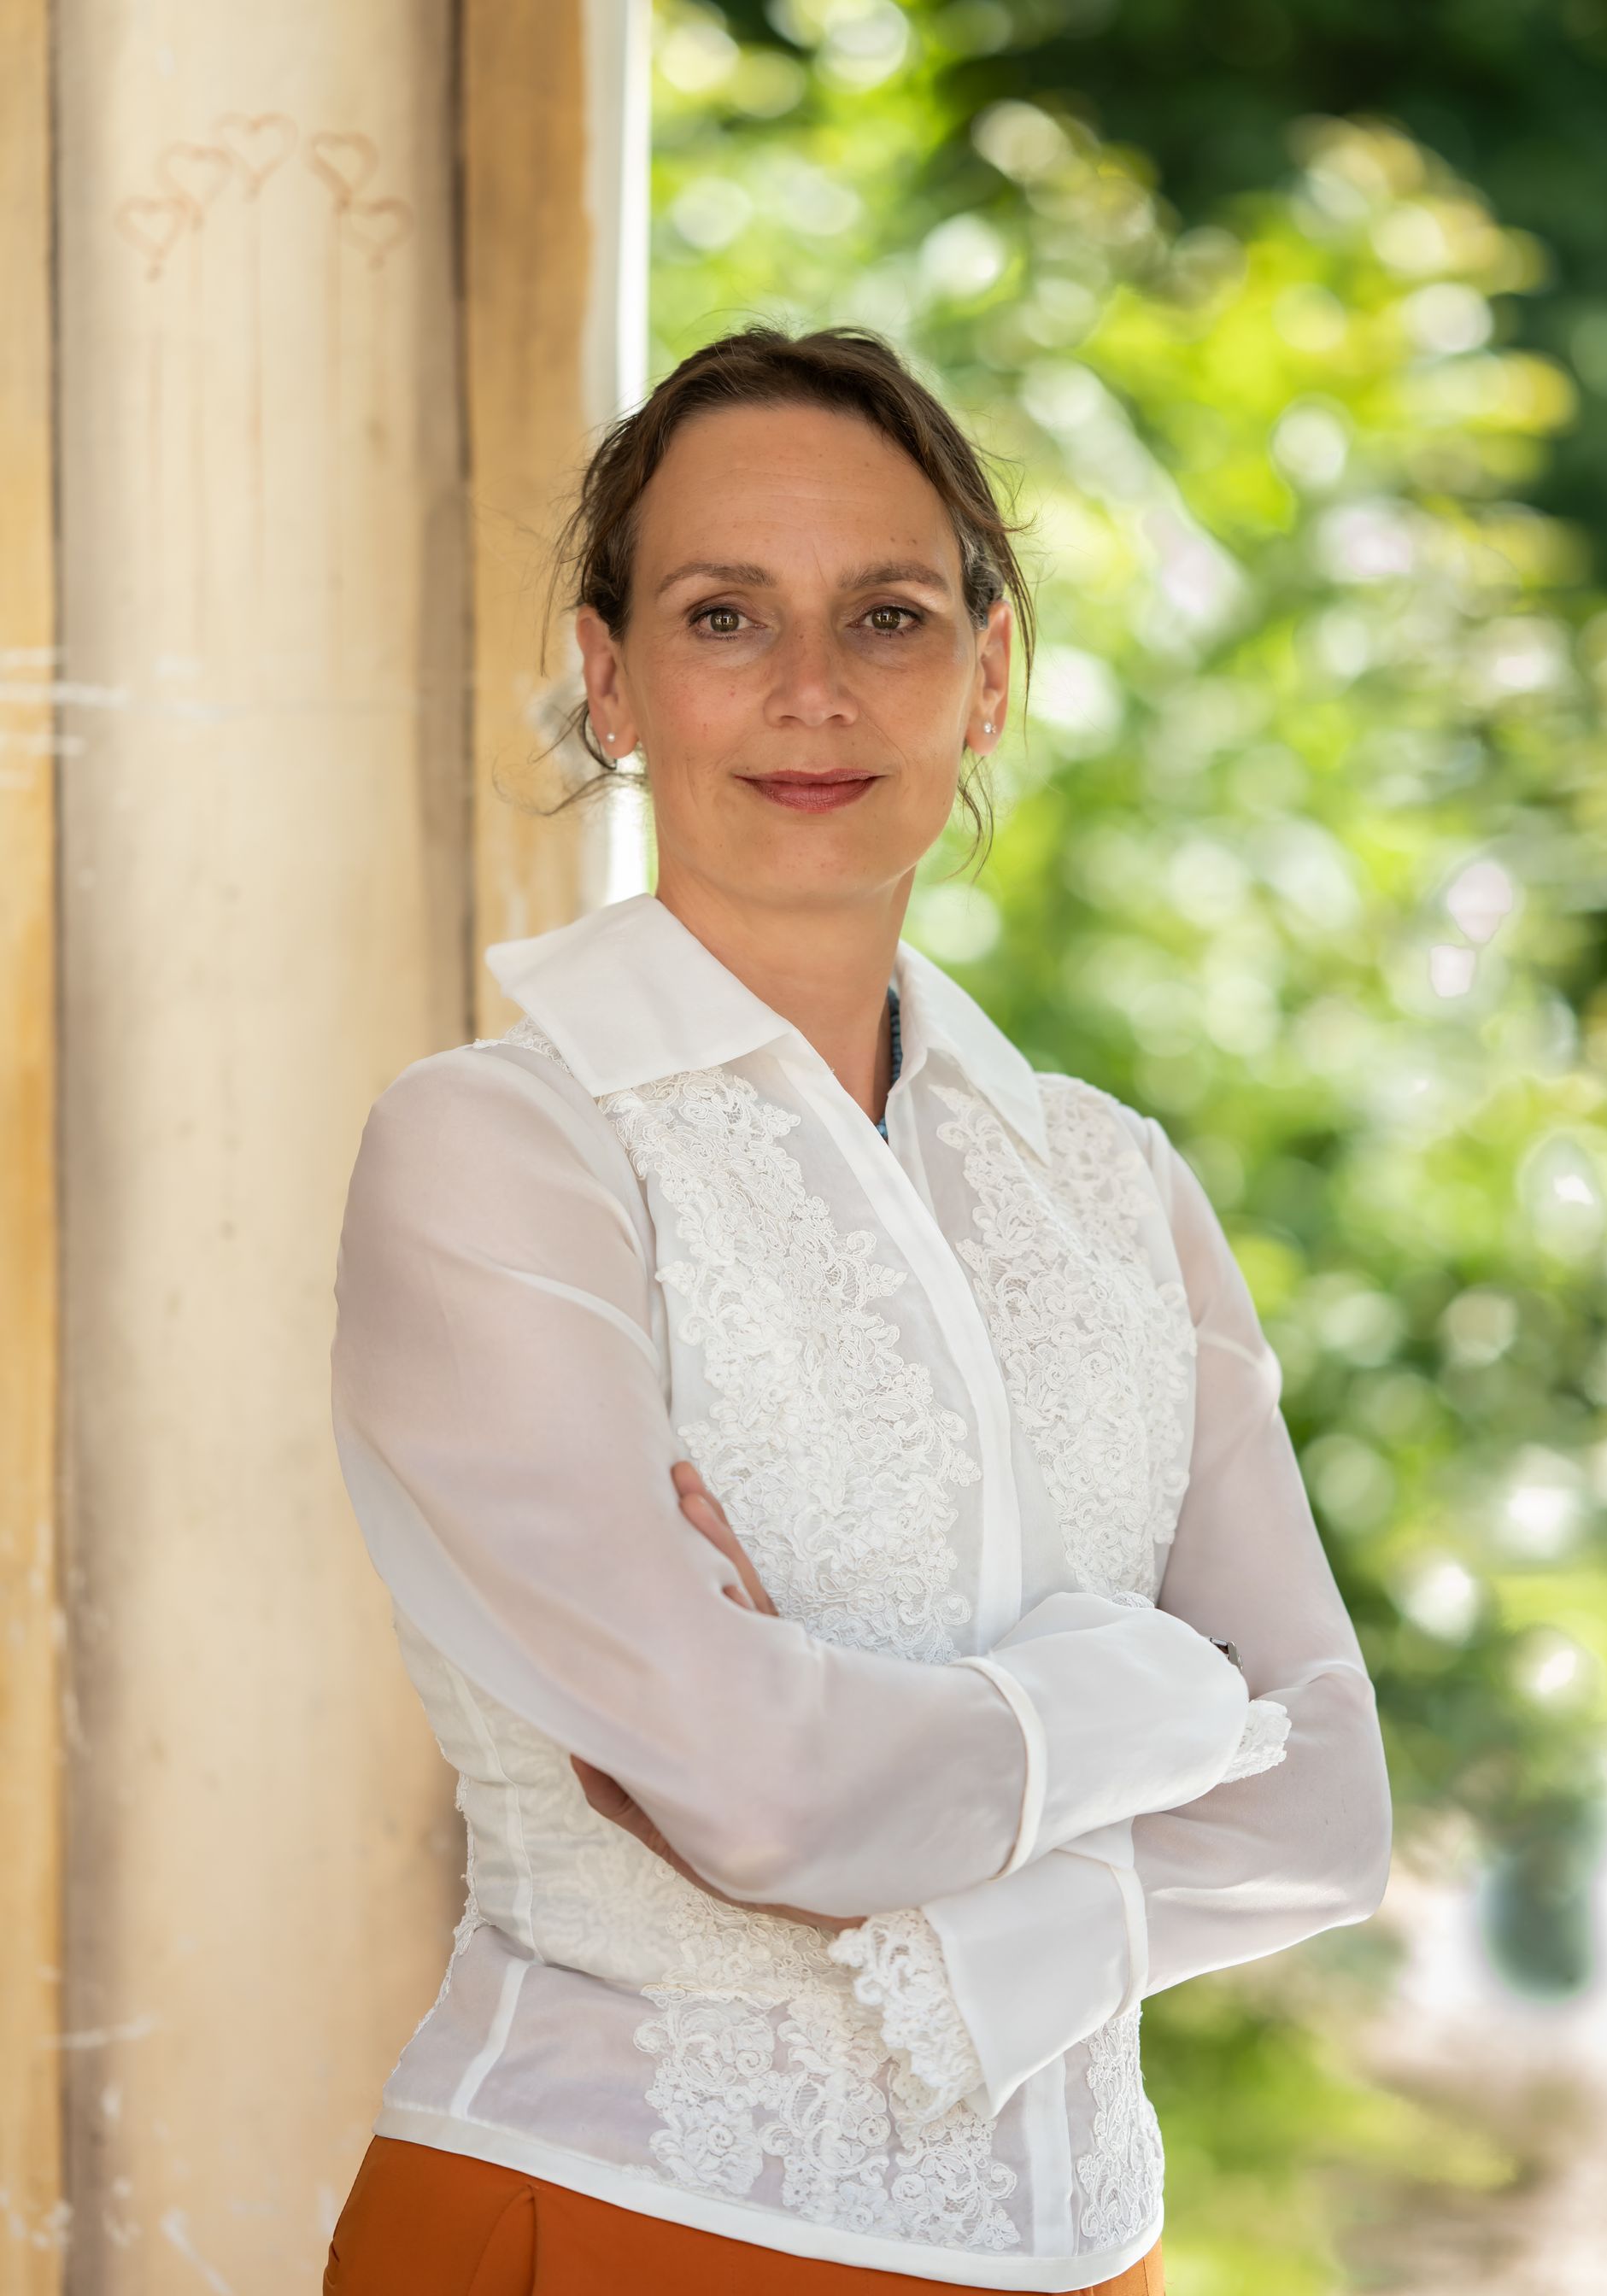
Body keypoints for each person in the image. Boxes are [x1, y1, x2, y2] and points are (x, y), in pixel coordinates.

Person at [322, 325, 1393, 2295]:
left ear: (989, 676)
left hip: (1096, 2253)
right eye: (726, 615)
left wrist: (927, 1910)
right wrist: (1153, 1691)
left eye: (887, 615)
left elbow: (1325, 1808)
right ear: (610, 677)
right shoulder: (496, 1157)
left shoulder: (1114, 1182)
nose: (811, 692)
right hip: (625, 2222)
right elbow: (757, 1790)